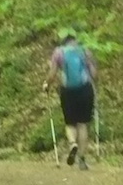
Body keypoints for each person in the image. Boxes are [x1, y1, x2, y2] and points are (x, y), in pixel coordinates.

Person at [42, 32, 97, 171]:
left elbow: (53, 73)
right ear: (75, 41)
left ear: (64, 42)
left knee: (70, 123)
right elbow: (94, 73)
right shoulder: (85, 51)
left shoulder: (59, 53)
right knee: (83, 124)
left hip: (68, 91)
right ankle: (82, 160)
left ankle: (73, 143)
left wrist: (47, 84)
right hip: (85, 89)